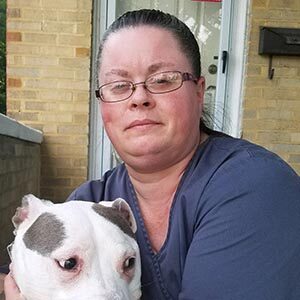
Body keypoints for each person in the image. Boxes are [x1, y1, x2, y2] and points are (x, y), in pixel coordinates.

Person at [5, 8, 300, 300]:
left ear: (199, 92)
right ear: (102, 105)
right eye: (119, 85)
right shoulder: (92, 201)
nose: (139, 98)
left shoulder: (254, 187)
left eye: (162, 80)